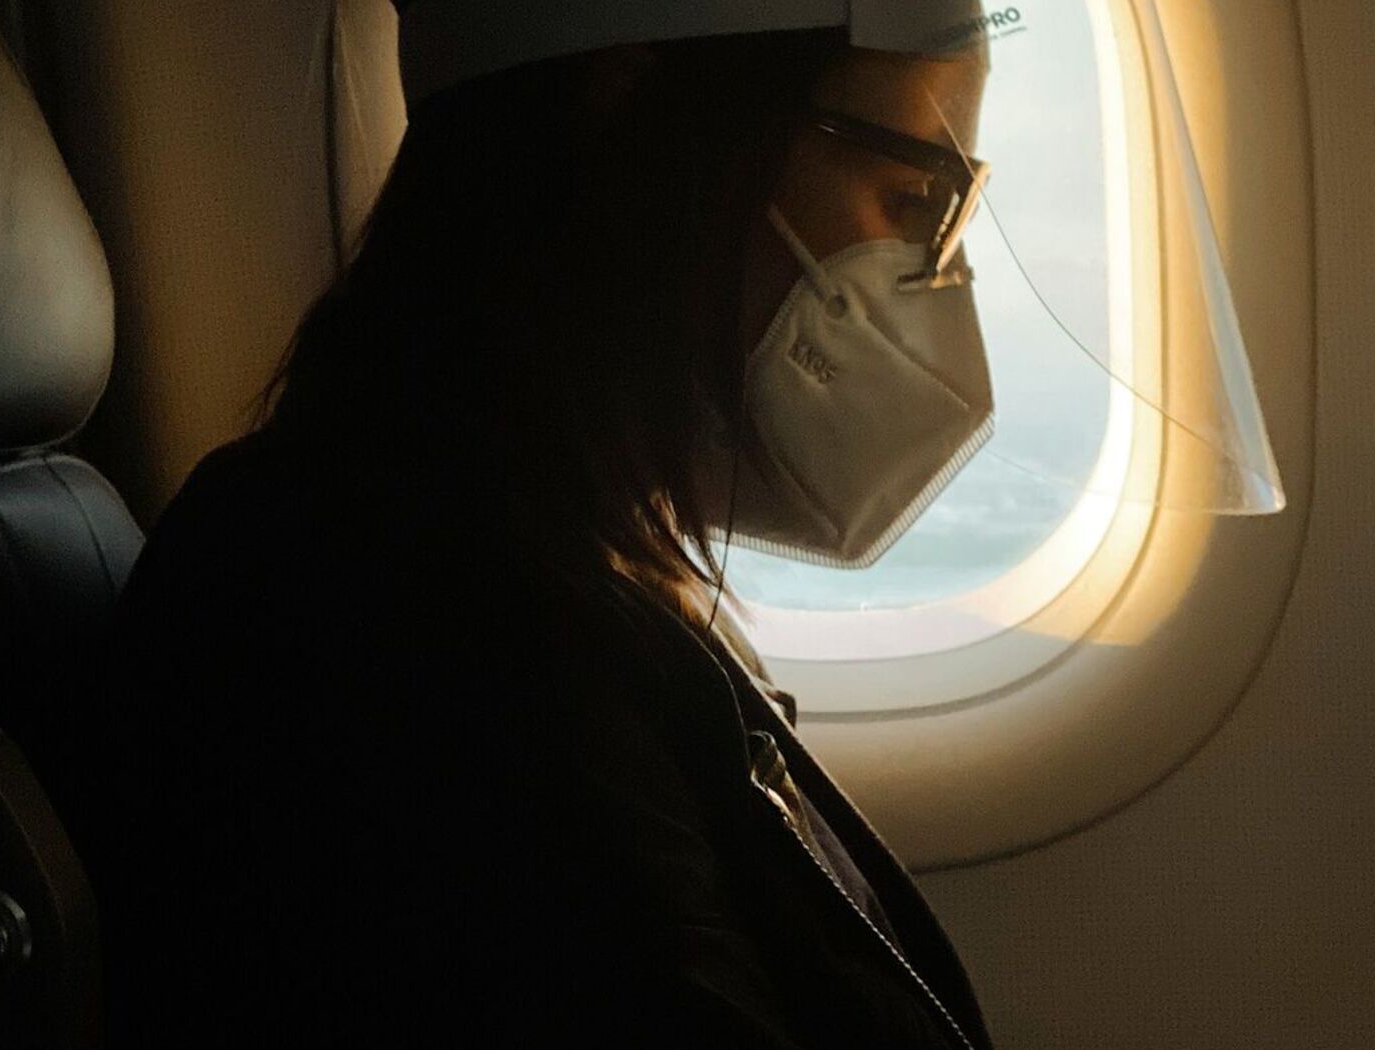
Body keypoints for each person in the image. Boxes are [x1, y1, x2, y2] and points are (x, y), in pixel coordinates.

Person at [66, 5, 1000, 1047]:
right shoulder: (413, 635)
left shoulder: (537, 563)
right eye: (910, 200)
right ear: (636, 126)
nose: (935, 285)